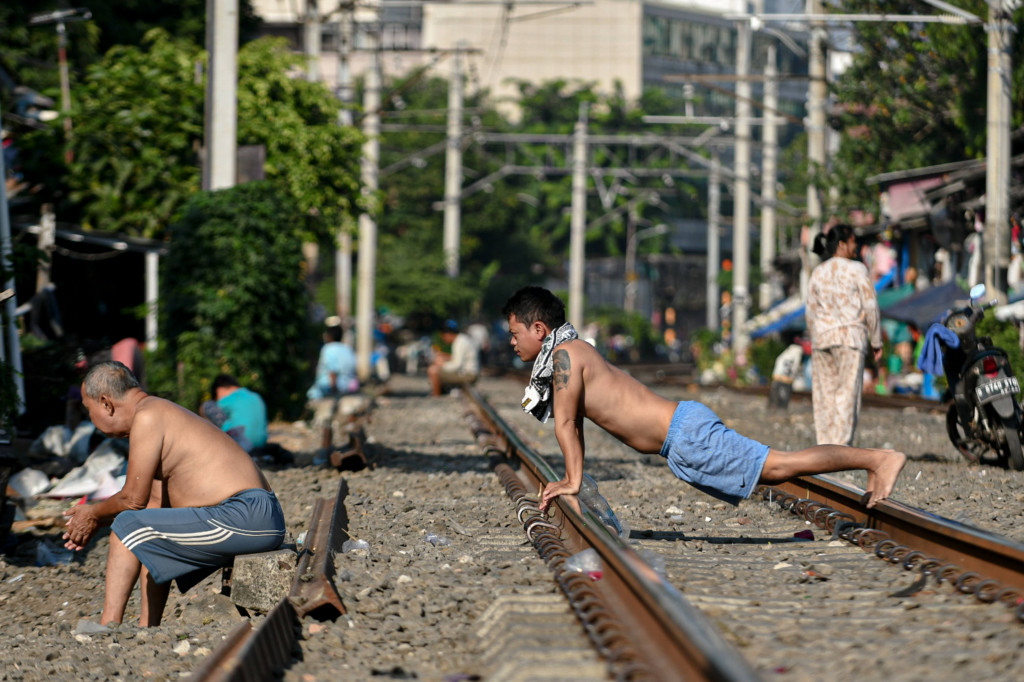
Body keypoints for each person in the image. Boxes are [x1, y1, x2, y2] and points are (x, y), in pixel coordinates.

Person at [501, 286, 905, 514]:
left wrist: (573, 480)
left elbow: (567, 423)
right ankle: (872, 462)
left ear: (539, 328)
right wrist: (574, 476)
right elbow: (574, 422)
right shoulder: (570, 351)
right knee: (779, 467)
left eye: (516, 333)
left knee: (782, 465)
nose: (512, 341)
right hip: (682, 437)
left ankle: (877, 459)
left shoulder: (565, 356)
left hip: (685, 435)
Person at [61, 361, 285, 627]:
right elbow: (149, 509)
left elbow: (131, 500)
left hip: (246, 515)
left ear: (106, 403)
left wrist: (93, 514)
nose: (91, 418)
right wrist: (96, 517)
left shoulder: (148, 416)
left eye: (90, 410)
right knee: (141, 527)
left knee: (127, 525)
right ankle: (147, 626)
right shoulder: (155, 413)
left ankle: (108, 625)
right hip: (251, 516)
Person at [806, 224, 883, 446]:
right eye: (852, 242)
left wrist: (815, 336)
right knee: (846, 395)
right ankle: (839, 449)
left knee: (824, 397)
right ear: (842, 244)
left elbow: (810, 311)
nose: (855, 246)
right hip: (850, 339)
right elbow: (870, 305)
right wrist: (876, 340)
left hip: (822, 339)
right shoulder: (857, 269)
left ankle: (824, 447)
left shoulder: (818, 272)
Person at [307, 319, 360, 454]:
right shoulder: (347, 349)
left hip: (329, 389)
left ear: (328, 336)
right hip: (347, 388)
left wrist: (333, 389)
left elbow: (332, 371)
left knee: (326, 420)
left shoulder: (328, 349)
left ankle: (324, 450)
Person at [200, 373, 268, 453]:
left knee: (207, 405)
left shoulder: (227, 399)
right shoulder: (256, 396)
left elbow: (206, 410)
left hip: (239, 444)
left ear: (219, 390)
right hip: (260, 444)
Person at [427, 319, 480, 396]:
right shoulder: (461, 339)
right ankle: (443, 391)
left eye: (443, 335)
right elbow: (457, 358)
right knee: (437, 367)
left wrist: (441, 365)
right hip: (469, 372)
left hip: (468, 374)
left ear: (448, 333)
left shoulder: (459, 342)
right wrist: (444, 357)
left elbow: (457, 365)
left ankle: (436, 395)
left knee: (433, 370)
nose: (443, 338)